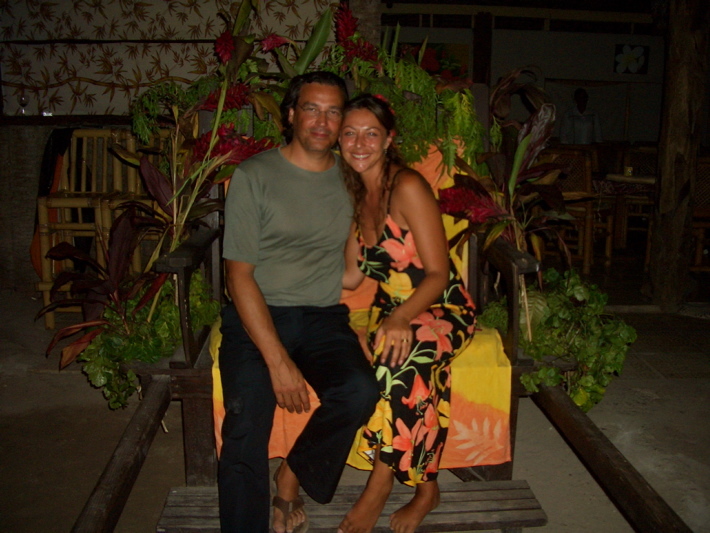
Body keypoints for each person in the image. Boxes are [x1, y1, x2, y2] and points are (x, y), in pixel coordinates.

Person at [219, 72, 380, 533]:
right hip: (257, 314)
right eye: (311, 108)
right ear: (290, 115)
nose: (322, 121)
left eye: (333, 112)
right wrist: (277, 361)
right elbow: (238, 276)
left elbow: (354, 268)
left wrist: (379, 316)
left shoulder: (352, 178)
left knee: (359, 390)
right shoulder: (254, 176)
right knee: (245, 425)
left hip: (322, 316)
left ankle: (289, 476)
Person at [337, 94, 476, 533]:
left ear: (388, 139)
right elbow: (351, 276)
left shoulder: (408, 186)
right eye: (350, 133)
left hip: (442, 305)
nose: (359, 143)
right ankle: (428, 488)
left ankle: (379, 488)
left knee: (397, 364)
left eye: (371, 134)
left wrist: (400, 319)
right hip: (390, 311)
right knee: (385, 359)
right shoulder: (355, 194)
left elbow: (437, 273)